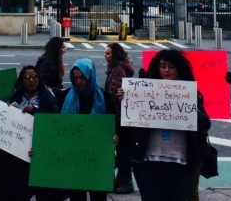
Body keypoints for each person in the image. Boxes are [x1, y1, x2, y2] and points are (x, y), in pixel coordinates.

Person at [122, 50, 211, 201]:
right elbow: (129, 123)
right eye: (162, 66)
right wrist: (126, 99)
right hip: (148, 161)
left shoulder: (189, 92)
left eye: (171, 66)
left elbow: (205, 123)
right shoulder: (145, 90)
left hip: (181, 161)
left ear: (179, 68)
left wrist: (190, 106)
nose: (166, 70)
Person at [2, 65, 60, 201]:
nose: (31, 80)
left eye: (34, 77)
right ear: (22, 80)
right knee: (19, 193)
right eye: (27, 77)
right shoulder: (16, 97)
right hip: (19, 158)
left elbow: (55, 120)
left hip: (41, 155)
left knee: (44, 195)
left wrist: (35, 111)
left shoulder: (47, 97)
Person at [60, 57, 112, 201]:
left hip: (97, 158)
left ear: (90, 76)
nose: (78, 82)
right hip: (74, 158)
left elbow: (114, 125)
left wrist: (115, 136)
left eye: (82, 78)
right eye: (75, 78)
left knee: (98, 195)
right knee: (76, 195)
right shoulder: (65, 96)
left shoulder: (105, 98)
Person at [104, 43, 135, 194]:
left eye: (108, 53)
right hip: (122, 115)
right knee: (122, 149)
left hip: (119, 116)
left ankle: (125, 182)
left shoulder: (118, 70)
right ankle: (122, 180)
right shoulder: (118, 68)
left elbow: (113, 93)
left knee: (121, 150)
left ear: (115, 55)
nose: (105, 56)